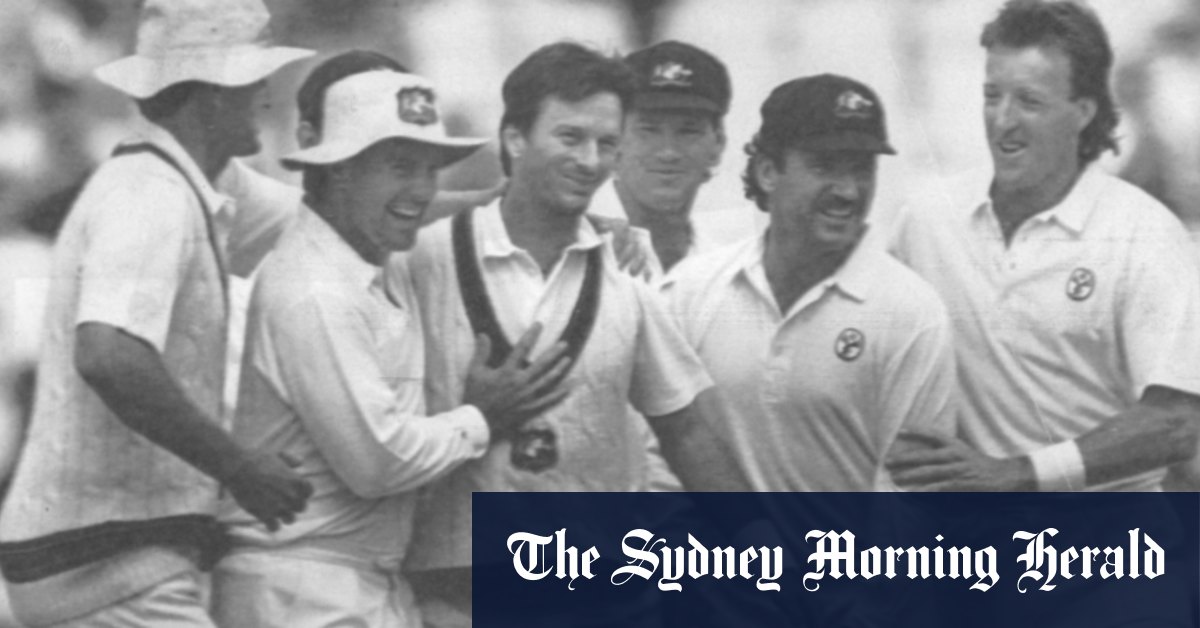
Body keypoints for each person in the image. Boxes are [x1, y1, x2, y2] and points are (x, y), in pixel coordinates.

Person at [210, 58, 571, 628]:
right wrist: (482, 416)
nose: (422, 190)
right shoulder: (314, 289)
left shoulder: (367, 256)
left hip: (355, 583)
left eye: (431, 169)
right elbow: (378, 464)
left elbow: (430, 210)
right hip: (301, 588)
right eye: (401, 166)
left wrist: (552, 217)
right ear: (339, 169)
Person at [399, 41, 740, 627]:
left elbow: (686, 431)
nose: (591, 161)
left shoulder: (624, 271)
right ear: (515, 138)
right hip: (459, 596)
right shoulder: (425, 259)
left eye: (607, 143)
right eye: (570, 137)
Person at [0, 1, 315, 626]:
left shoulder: (195, 180)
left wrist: (494, 205)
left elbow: (335, 218)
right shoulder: (148, 193)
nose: (264, 94)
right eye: (252, 77)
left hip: (115, 556)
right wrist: (238, 466)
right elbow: (108, 353)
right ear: (213, 93)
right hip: (103, 566)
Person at [884, 0, 1200, 492]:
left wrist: (1020, 474)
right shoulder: (927, 222)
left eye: (1029, 102)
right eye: (992, 96)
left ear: (1083, 112)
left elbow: (1177, 423)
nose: (1003, 120)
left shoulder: (1143, 234)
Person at [668, 74, 957, 492]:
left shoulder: (912, 314)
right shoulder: (688, 291)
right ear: (768, 172)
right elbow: (656, 455)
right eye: (824, 166)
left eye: (861, 169)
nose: (848, 191)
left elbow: (911, 497)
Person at [587, 40, 740, 273]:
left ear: (718, 144)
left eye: (688, 131)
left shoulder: (728, 268)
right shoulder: (569, 241)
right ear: (613, 139)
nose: (668, 152)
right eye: (648, 130)